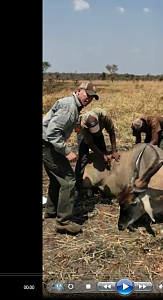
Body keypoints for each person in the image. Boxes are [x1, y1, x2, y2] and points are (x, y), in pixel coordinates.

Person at [42, 82, 99, 234]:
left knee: (57, 179)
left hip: (47, 145)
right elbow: (52, 133)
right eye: (87, 94)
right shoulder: (70, 107)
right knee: (69, 181)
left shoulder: (73, 106)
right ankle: (63, 222)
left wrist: (77, 126)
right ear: (79, 91)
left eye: (92, 97)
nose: (89, 99)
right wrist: (67, 152)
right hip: (48, 145)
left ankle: (51, 211)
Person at [74, 108, 120, 197]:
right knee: (83, 158)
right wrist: (101, 155)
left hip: (99, 133)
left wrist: (114, 151)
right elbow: (90, 143)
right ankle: (78, 186)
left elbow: (111, 132)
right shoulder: (83, 126)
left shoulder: (104, 116)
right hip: (84, 136)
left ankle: (105, 180)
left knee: (104, 153)